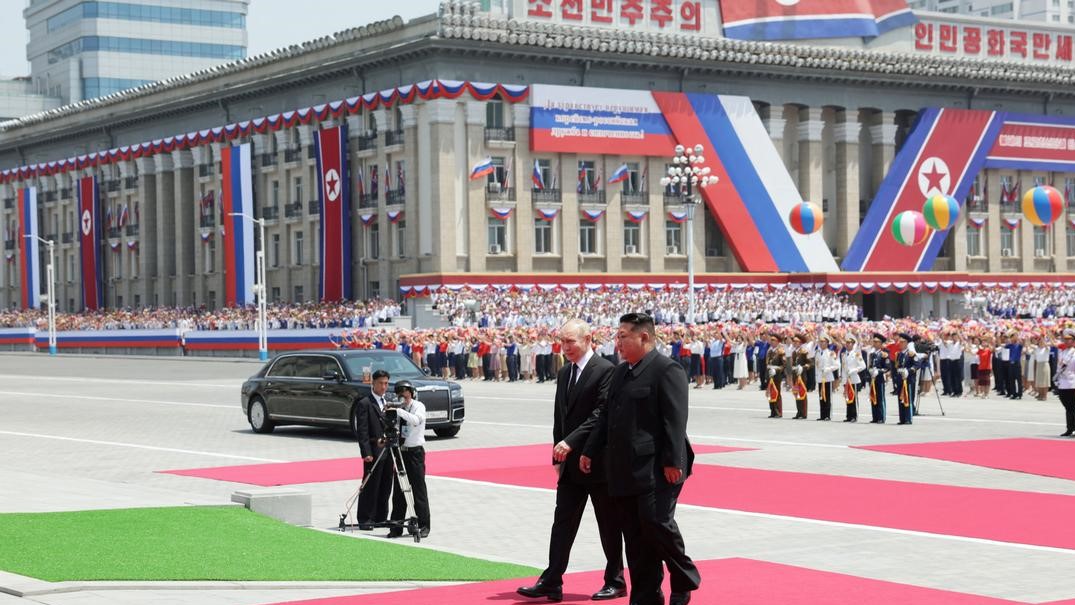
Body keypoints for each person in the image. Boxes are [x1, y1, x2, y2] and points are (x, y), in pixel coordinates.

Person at [581, 312, 700, 605]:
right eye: (617, 336)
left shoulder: (666, 370)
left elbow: (675, 420)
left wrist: (674, 462)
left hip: (659, 467)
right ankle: (646, 596)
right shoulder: (620, 372)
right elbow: (606, 415)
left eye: (623, 336)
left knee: (657, 523)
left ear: (643, 337)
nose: (617, 343)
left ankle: (684, 577)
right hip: (623, 468)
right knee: (635, 536)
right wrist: (589, 449)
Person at [518, 319, 626, 602]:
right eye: (562, 341)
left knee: (609, 523)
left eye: (570, 342)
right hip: (569, 463)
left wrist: (572, 442)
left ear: (588, 339)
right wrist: (556, 452)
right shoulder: (565, 372)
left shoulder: (606, 370)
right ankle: (552, 579)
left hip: (598, 461)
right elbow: (560, 417)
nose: (565, 347)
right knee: (562, 522)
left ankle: (615, 580)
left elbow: (601, 414)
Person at [386, 379, 430, 539]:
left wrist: (399, 411)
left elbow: (416, 420)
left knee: (418, 490)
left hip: (415, 453)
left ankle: (423, 525)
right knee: (398, 491)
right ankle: (396, 527)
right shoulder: (398, 409)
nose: (402, 397)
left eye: (405, 393)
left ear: (411, 393)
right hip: (400, 452)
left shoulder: (418, 406)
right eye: (399, 394)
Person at [355, 369, 394, 530]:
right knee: (371, 485)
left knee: (386, 485)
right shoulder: (365, 403)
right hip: (374, 451)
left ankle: (380, 517)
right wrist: (366, 452)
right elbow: (362, 430)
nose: (384, 387)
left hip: (388, 451)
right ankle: (365, 519)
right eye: (380, 383)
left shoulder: (388, 402)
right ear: (373, 383)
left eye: (386, 383)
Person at [1054, 329, 1075, 437]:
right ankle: (1070, 428)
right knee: (1068, 407)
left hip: (1072, 383)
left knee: (1072, 407)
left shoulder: (1074, 353)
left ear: (1073, 340)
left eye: (1069, 339)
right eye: (1065, 339)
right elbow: (1059, 366)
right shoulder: (1062, 352)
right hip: (1062, 383)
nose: (1066, 341)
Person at [893, 333, 917, 425]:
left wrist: (909, 371)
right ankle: (902, 418)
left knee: (908, 399)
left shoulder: (910, 353)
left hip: (908, 380)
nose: (900, 343)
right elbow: (897, 367)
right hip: (900, 379)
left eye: (902, 342)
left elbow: (916, 364)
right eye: (900, 342)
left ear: (907, 343)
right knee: (900, 399)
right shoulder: (899, 354)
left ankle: (908, 418)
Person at [868, 333, 889, 424]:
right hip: (873, 378)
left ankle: (881, 417)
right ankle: (875, 417)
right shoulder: (872, 354)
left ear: (881, 343)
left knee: (880, 398)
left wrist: (879, 371)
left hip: (880, 378)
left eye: (877, 342)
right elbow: (870, 365)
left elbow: (887, 367)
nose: (875, 343)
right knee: (873, 396)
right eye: (874, 341)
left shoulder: (884, 354)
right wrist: (870, 370)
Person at [765, 333, 786, 418]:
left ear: (778, 341)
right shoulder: (770, 351)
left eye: (773, 340)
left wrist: (776, 369)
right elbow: (767, 362)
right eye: (771, 340)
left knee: (776, 392)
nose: (771, 341)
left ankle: (778, 412)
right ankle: (772, 411)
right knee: (770, 393)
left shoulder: (781, 351)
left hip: (777, 375)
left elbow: (784, 365)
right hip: (770, 374)